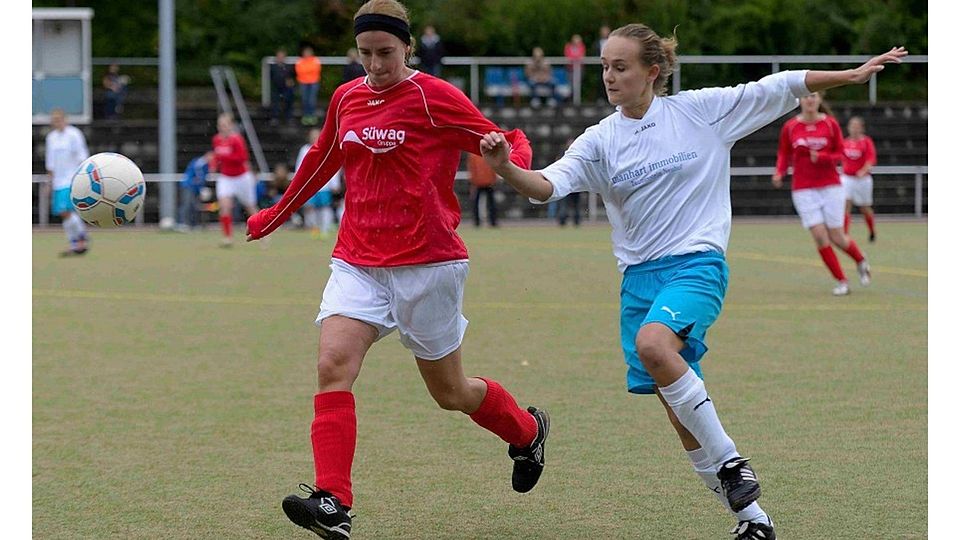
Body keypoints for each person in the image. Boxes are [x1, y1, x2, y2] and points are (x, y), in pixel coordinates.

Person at [481, 22, 907, 540]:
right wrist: (505, 168)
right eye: (604, 68)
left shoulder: (700, 111)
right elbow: (547, 186)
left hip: (696, 265)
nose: (609, 78)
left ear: (652, 72)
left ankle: (731, 463)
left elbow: (782, 85)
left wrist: (851, 74)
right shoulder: (601, 139)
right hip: (638, 282)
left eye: (621, 67)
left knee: (654, 346)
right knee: (679, 414)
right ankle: (754, 521)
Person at [244, 1, 550, 537]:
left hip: (428, 264)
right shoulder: (347, 97)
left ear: (407, 47)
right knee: (332, 363)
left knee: (451, 394)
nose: (375, 64)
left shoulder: (434, 98)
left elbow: (503, 139)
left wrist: (510, 160)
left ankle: (525, 431)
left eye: (385, 52)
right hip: (358, 259)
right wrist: (277, 213)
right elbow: (321, 158)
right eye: (365, 53)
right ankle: (333, 499)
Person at [773, 92, 872, 296]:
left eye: (814, 96)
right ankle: (842, 281)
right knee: (819, 236)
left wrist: (822, 156)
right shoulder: (790, 127)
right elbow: (784, 153)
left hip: (830, 187)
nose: (809, 99)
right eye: (806, 96)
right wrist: (779, 172)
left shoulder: (830, 124)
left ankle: (861, 259)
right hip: (803, 188)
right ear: (800, 100)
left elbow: (840, 153)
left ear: (819, 100)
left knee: (837, 237)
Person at [44, 108, 90, 256]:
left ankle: (82, 236)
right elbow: (50, 161)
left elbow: (82, 156)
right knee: (63, 213)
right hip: (58, 181)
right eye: (54, 120)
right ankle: (75, 242)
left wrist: (83, 177)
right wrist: (49, 182)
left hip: (72, 179)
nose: (56, 122)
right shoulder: (51, 137)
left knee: (66, 211)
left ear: (65, 119)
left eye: (58, 119)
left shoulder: (74, 134)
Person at [212, 112, 260, 247]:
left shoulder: (237, 140)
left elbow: (242, 158)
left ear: (231, 126)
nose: (223, 128)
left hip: (241, 177)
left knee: (250, 207)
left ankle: (263, 233)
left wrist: (224, 156)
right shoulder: (216, 139)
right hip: (226, 177)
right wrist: (214, 164)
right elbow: (217, 157)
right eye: (220, 125)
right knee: (224, 206)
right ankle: (227, 237)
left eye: (225, 125)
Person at [297, 128, 341, 239]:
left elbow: (333, 166)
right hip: (309, 184)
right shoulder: (305, 149)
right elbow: (300, 166)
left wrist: (334, 184)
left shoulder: (327, 149)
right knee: (310, 207)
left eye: (317, 135)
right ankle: (314, 228)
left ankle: (325, 229)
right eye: (313, 136)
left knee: (324, 207)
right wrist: (298, 182)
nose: (314, 138)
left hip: (324, 185)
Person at [840, 116, 878, 242]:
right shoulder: (845, 142)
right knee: (846, 204)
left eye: (857, 126)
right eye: (852, 126)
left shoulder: (866, 142)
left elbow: (870, 159)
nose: (854, 129)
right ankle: (844, 234)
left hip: (863, 180)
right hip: (847, 178)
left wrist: (864, 170)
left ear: (862, 128)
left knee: (864, 208)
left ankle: (872, 230)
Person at [177, 151, 213, 232]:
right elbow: (198, 177)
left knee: (194, 206)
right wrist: (201, 188)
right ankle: (183, 223)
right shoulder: (199, 162)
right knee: (187, 204)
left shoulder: (205, 165)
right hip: (188, 186)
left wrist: (201, 189)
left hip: (194, 188)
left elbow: (202, 179)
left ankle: (193, 224)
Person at [467, 151, 498, 228]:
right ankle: (492, 221)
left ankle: (477, 222)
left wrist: (473, 181)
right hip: (486, 182)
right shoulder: (489, 153)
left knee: (477, 203)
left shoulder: (473, 155)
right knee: (491, 203)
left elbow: (472, 169)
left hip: (480, 182)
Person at [296, 46, 322, 126]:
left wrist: (307, 72)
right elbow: (300, 71)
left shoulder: (315, 60)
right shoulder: (300, 61)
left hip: (313, 82)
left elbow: (316, 70)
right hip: (303, 82)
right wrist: (308, 72)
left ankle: (312, 116)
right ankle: (306, 116)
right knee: (305, 100)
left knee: (312, 100)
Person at [270, 49, 297, 124]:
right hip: (276, 88)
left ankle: (289, 117)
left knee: (289, 101)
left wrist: (291, 82)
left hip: (287, 89)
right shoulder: (272, 67)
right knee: (275, 103)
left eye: (282, 56)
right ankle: (275, 118)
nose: (280, 58)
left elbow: (293, 77)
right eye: (279, 56)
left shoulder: (289, 67)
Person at [564, 34, 586, 101]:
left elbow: (581, 56)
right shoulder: (568, 46)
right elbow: (568, 56)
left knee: (577, 86)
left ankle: (576, 100)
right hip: (570, 69)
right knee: (570, 86)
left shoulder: (582, 46)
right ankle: (570, 100)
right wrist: (575, 59)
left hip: (579, 69)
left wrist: (575, 58)